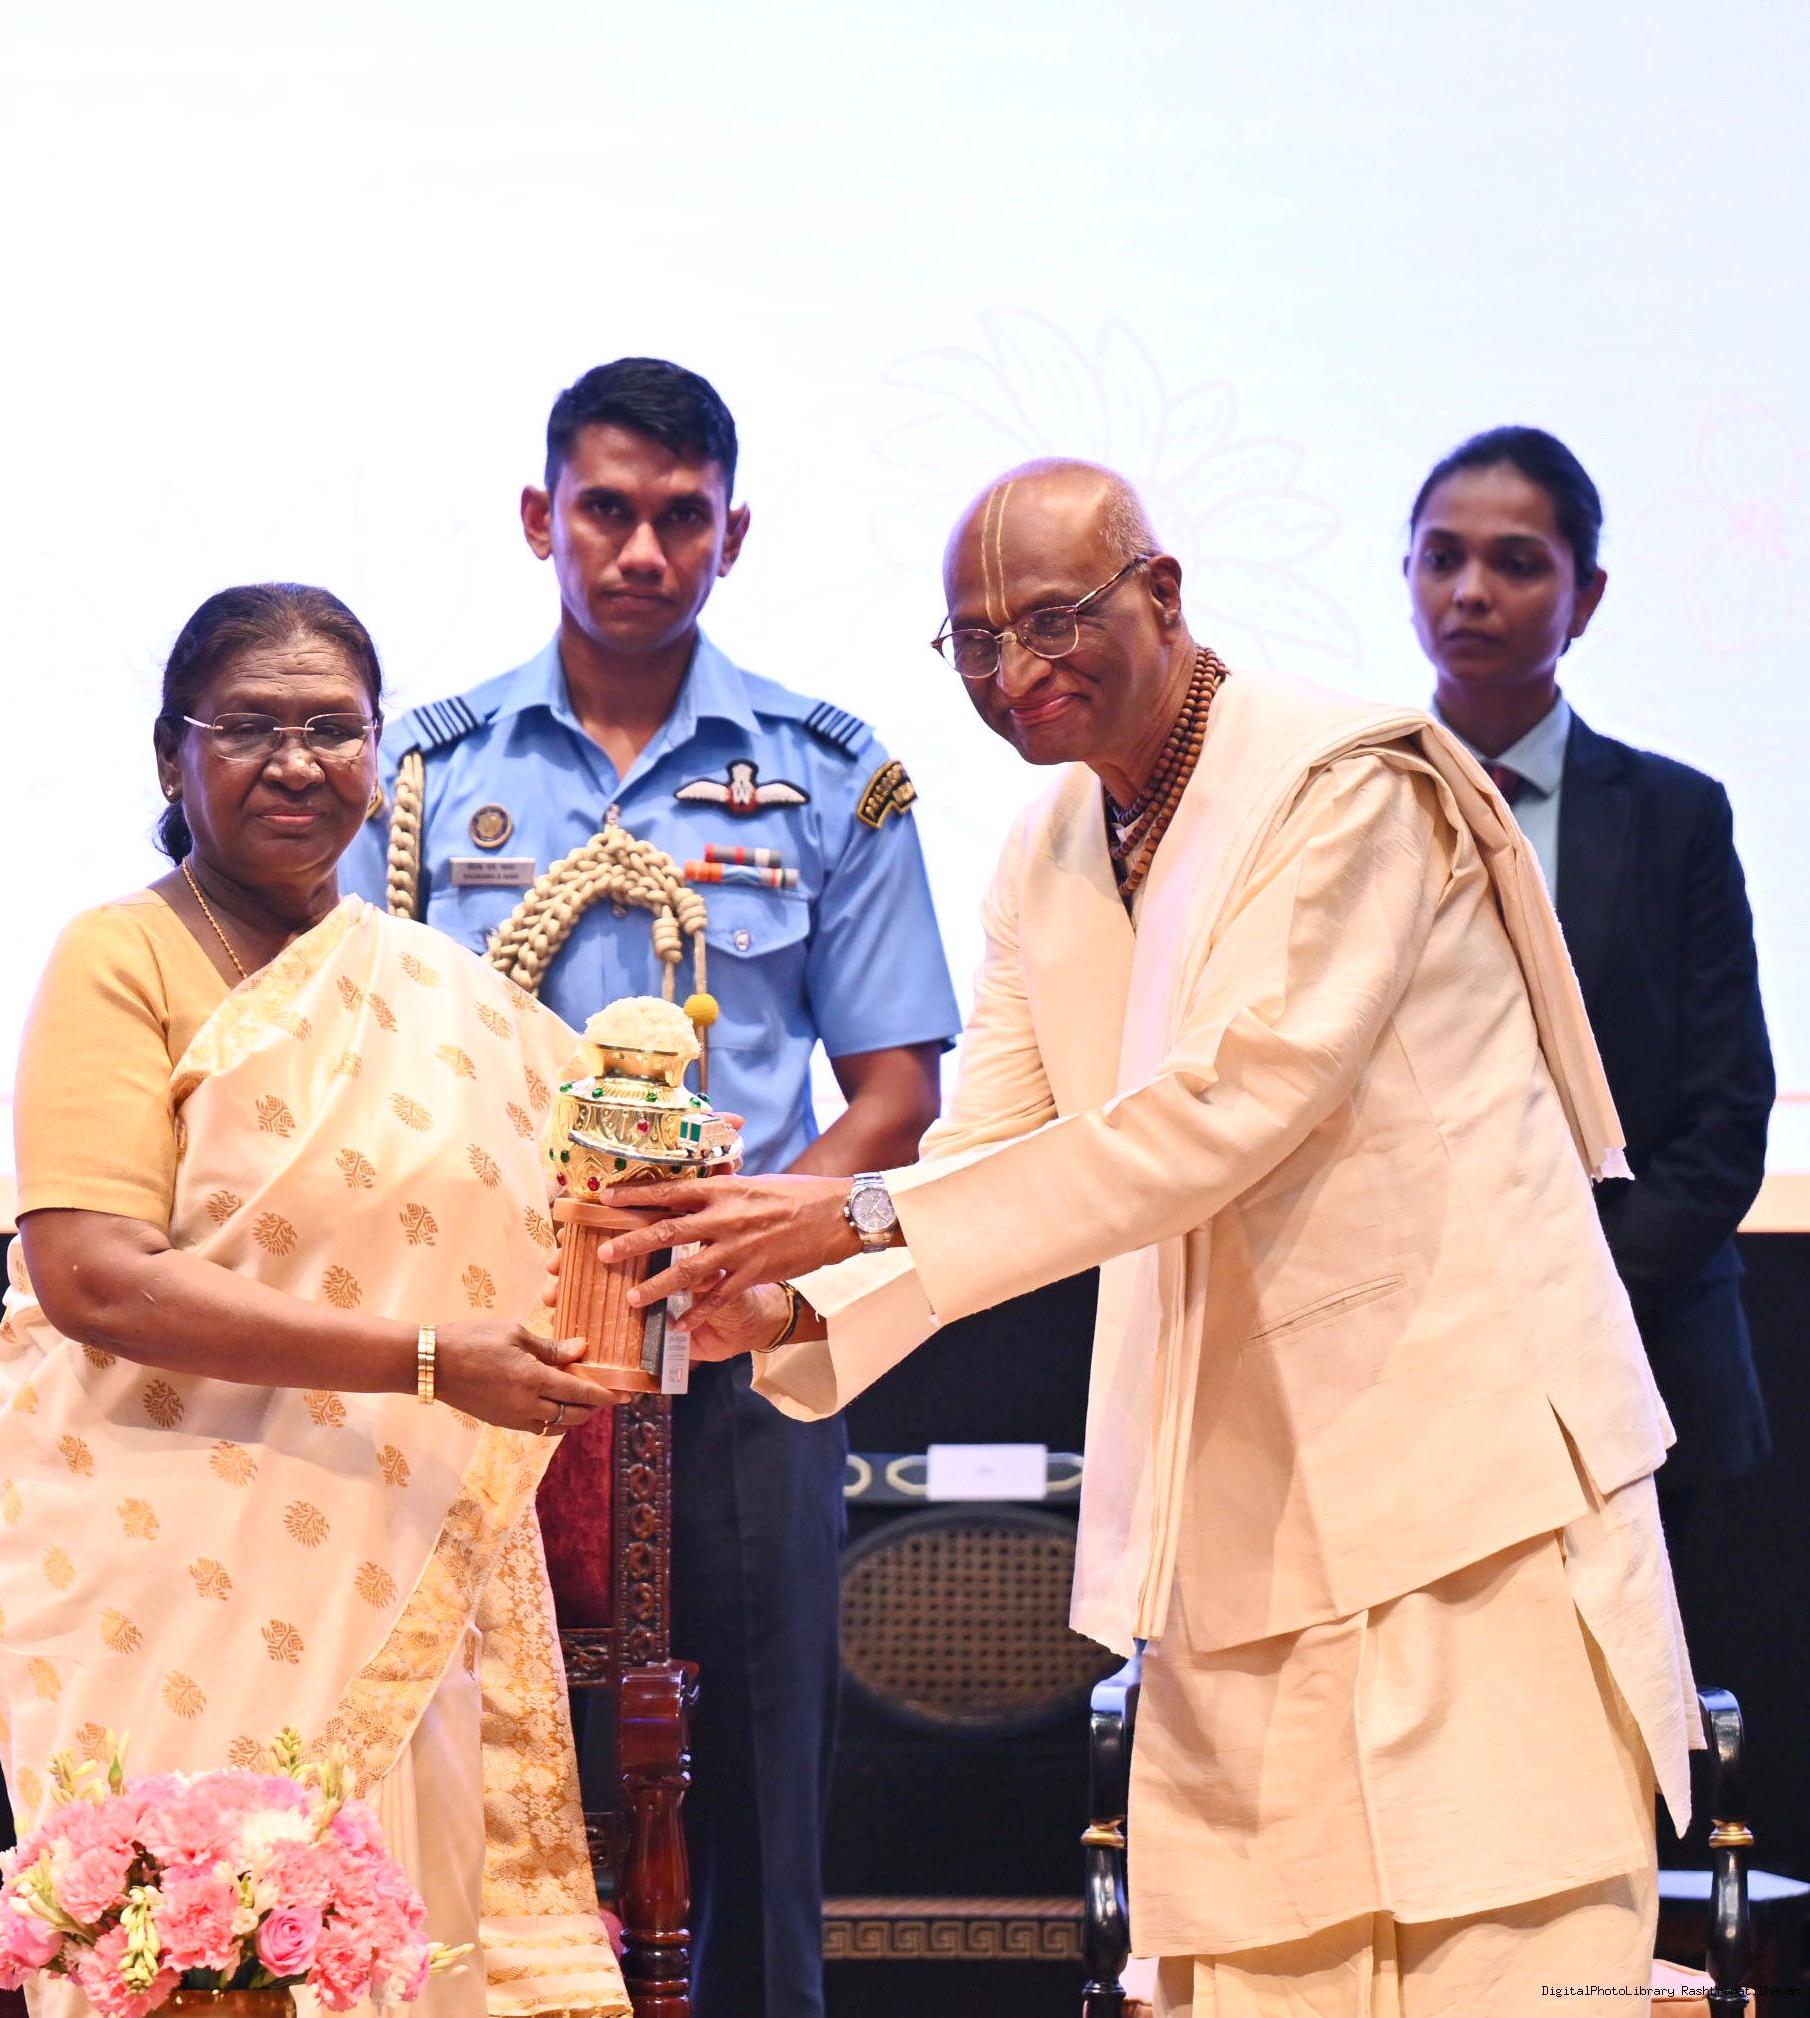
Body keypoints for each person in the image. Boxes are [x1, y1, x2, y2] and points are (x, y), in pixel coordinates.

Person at [605, 460, 1698, 2012]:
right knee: (1249, 1971)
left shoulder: (1344, 786)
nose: (1014, 670)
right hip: (1242, 1504)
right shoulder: (1048, 843)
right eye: (974, 639)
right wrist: (786, 1309)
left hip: (1469, 1485)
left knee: (1498, 1943)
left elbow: (1227, 1110)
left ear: (1162, 596)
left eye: (1054, 618)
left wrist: (837, 1208)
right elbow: (990, 1150)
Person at [340, 358, 957, 2018]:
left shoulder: (827, 773)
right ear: (538, 517)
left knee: (750, 1780)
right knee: (463, 1759)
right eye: (603, 510)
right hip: (484, 1353)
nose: (638, 550)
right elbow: (348, 1044)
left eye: (680, 517)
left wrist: (748, 1242)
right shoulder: (419, 774)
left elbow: (897, 1092)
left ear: (730, 535)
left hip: (737, 1346)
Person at [0, 583, 631, 2018]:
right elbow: (91, 1274)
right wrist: (424, 1356)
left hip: (387, 1528)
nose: (296, 762)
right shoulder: (118, 956)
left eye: (333, 728)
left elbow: (602, 1187)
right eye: (249, 728)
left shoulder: (442, 998)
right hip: (150, 1545)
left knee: (386, 1942)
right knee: (185, 1945)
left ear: (380, 755)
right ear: (171, 756)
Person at [1406, 425, 1774, 1530]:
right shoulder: (1345, 805)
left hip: (1643, 1351)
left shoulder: (1674, 815)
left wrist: (1565, 1297)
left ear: (1585, 596)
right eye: (1441, 557)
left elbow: (1724, 1120)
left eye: (1516, 562)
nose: (1469, 592)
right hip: (1408, 1362)